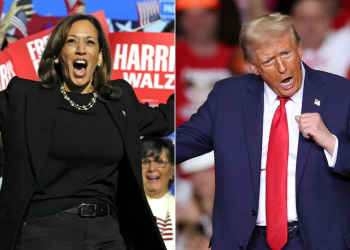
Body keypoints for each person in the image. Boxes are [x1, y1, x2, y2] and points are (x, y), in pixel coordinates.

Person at [176, 12, 350, 250]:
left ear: (299, 48)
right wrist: (126, 143)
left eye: (286, 53)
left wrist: (331, 142)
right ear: (252, 66)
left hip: (316, 241)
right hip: (247, 242)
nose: (281, 67)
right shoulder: (228, 97)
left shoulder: (341, 93)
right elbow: (181, 143)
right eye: (268, 60)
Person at [0, 14, 173, 250]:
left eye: (90, 42)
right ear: (59, 54)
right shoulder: (25, 96)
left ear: (100, 56)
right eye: (71, 41)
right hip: (43, 234)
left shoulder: (119, 100)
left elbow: (167, 119)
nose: (81, 49)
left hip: (107, 234)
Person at [141, 136, 175, 250]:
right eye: (145, 162)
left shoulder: (184, 211)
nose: (152, 168)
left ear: (172, 171)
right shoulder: (121, 211)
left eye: (160, 161)